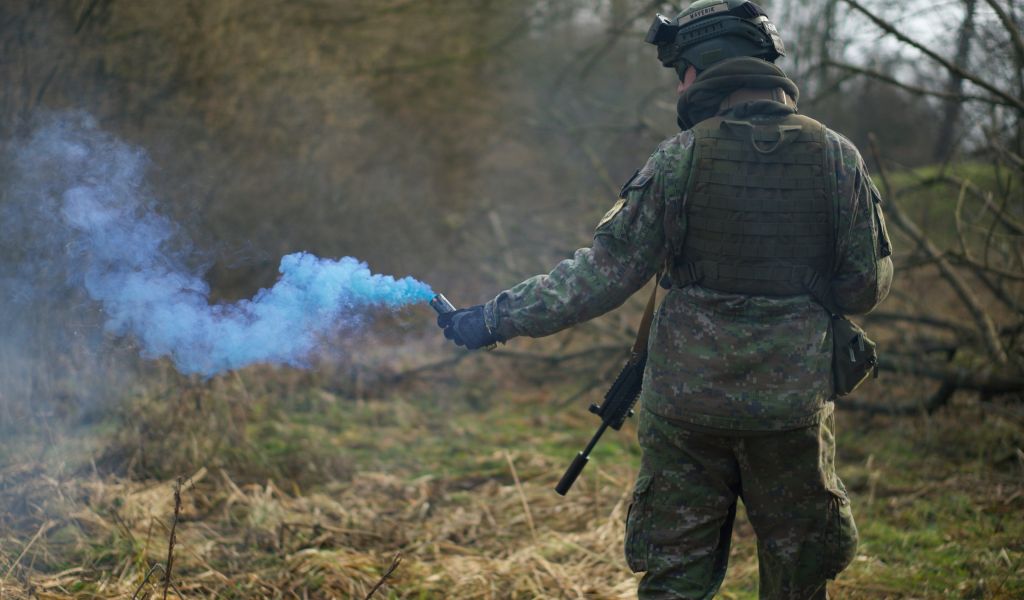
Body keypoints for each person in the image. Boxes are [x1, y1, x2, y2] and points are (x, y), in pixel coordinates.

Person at [437, 1, 894, 597]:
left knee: (676, 580)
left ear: (702, 70)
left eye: (681, 70)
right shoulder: (839, 157)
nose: (679, 84)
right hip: (791, 411)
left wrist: (489, 320)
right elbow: (866, 286)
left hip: (686, 414)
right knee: (799, 577)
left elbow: (597, 277)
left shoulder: (680, 158)